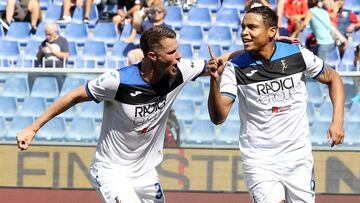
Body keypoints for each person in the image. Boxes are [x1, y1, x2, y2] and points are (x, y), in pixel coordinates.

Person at [16, 25, 237, 203]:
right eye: (171, 52)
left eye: (178, 50)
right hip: (111, 172)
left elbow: (222, 62)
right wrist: (32, 128)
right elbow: (73, 96)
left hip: (146, 174)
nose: (179, 57)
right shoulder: (117, 81)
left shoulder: (180, 70)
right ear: (152, 56)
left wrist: (261, 47)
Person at [207, 6, 345, 203]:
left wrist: (337, 121)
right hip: (259, 159)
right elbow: (218, 118)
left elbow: (334, 78)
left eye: (252, 27)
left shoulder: (297, 55)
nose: (244, 33)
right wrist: (214, 80)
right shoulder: (235, 68)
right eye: (243, 27)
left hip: (298, 157)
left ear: (272, 31)